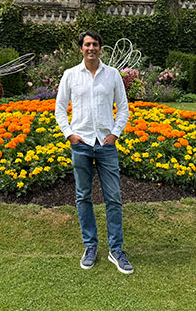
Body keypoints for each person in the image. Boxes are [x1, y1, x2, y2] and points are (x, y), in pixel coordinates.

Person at [55, 30, 133, 274]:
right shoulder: (70, 76)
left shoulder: (112, 75)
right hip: (81, 144)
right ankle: (90, 246)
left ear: (101, 48)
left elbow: (123, 108)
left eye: (95, 44)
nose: (91, 48)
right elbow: (59, 109)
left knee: (113, 198)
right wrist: (70, 134)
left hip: (106, 145)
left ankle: (116, 250)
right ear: (81, 49)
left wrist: (116, 133)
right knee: (83, 196)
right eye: (87, 44)